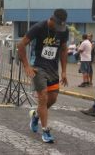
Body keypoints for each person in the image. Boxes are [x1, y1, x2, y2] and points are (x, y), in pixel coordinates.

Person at [17, 8, 69, 143]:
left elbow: (63, 50)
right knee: (43, 97)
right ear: (51, 19)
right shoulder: (39, 27)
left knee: (52, 99)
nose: (58, 29)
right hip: (38, 67)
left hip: (53, 68)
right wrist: (27, 66)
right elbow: (21, 45)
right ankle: (45, 131)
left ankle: (35, 116)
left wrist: (64, 71)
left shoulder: (64, 30)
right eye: (56, 25)